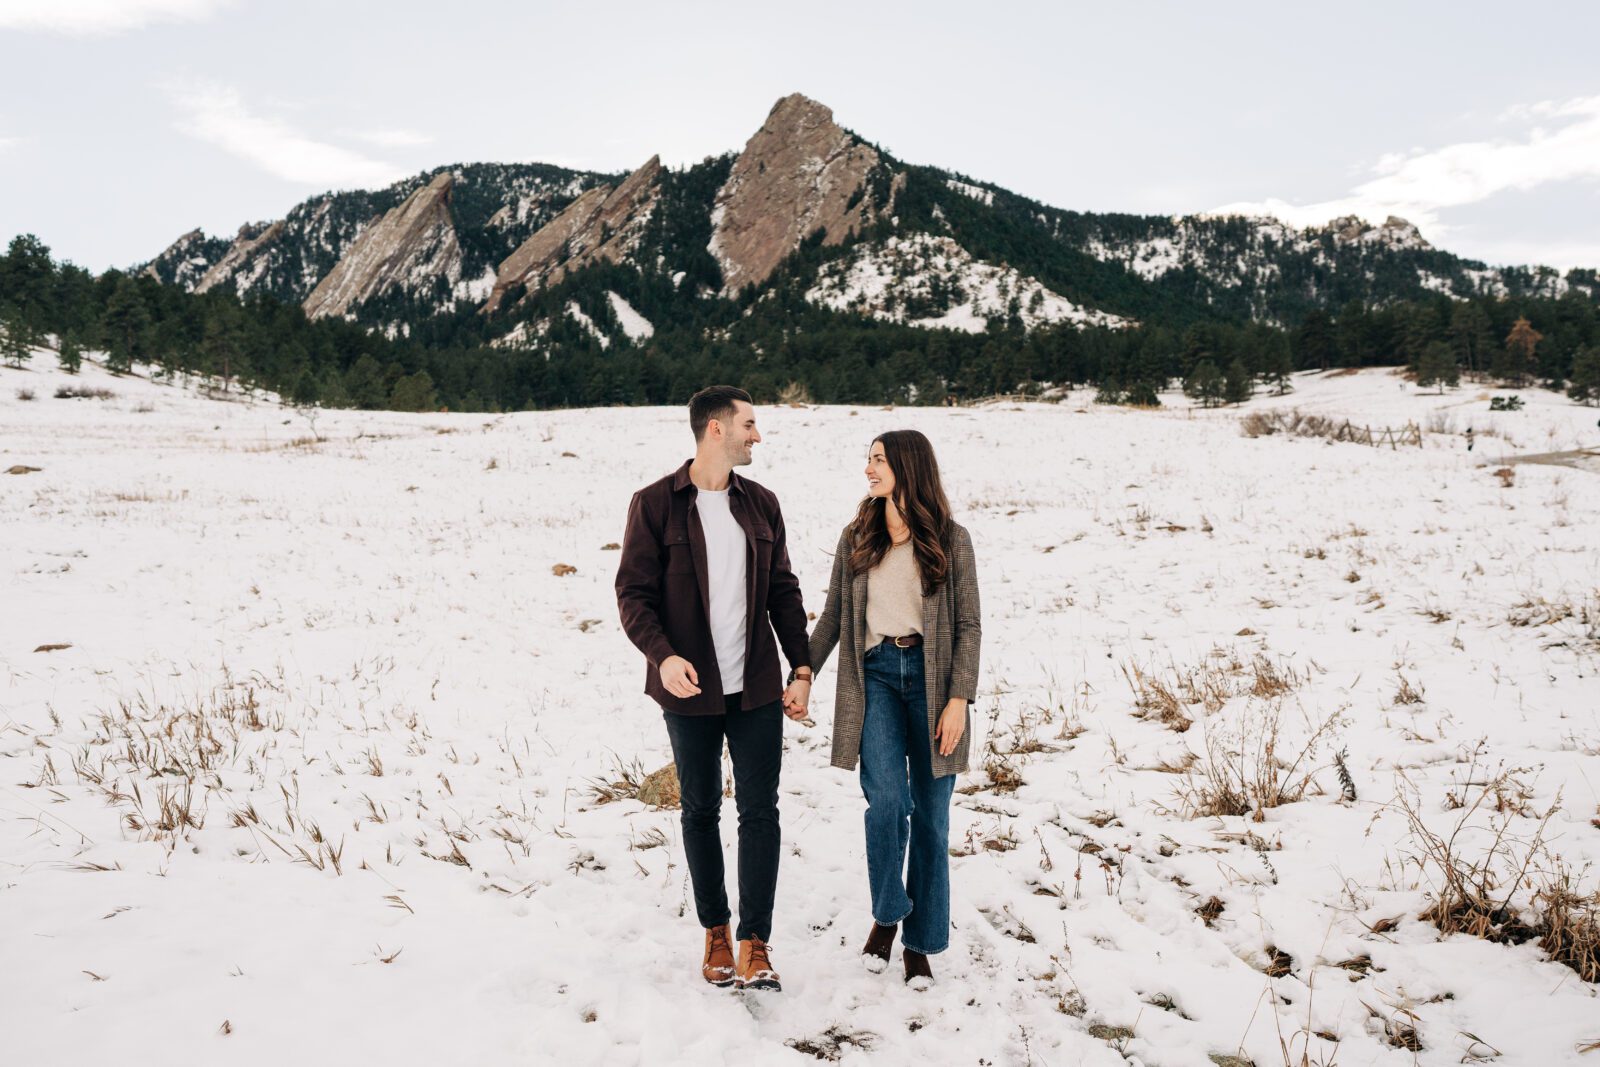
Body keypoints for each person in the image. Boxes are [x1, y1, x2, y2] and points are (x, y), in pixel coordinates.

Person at [614, 386, 813, 993]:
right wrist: (663, 655)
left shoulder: (762, 505)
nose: (758, 436)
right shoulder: (654, 505)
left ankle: (756, 941)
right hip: (689, 688)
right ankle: (716, 933)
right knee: (700, 811)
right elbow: (633, 595)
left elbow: (783, 589)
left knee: (760, 813)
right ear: (715, 430)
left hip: (754, 688)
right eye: (750, 425)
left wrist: (800, 670)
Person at [788, 429, 981, 988]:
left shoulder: (951, 539)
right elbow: (829, 621)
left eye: (878, 460)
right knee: (886, 802)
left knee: (932, 814)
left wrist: (958, 700)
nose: (868, 469)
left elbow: (968, 624)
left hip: (933, 682)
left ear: (907, 467)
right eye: (867, 458)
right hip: (873, 679)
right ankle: (888, 912)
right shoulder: (858, 535)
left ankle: (920, 941)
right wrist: (804, 677)